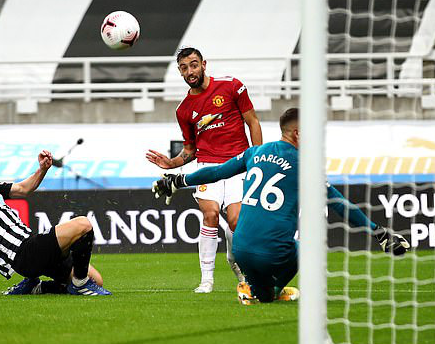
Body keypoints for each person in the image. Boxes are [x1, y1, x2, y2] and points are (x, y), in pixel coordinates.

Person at [152, 108, 410, 304]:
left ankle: (258, 291)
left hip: (241, 251)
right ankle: (269, 289)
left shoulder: (255, 152)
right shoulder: (303, 164)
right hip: (273, 253)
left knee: (264, 298)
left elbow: (217, 172)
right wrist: (378, 231)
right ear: (298, 133)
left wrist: (178, 180)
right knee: (307, 248)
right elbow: (339, 205)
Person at [146, 47, 263, 294]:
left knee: (235, 221)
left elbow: (252, 121)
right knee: (209, 214)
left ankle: (236, 261)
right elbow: (190, 150)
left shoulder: (232, 86)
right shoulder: (184, 110)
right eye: (185, 67)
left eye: (194, 64)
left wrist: (258, 158)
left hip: (238, 164)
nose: (190, 71)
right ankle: (206, 280)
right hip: (207, 167)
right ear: (179, 71)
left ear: (204, 64)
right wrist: (171, 163)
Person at [0, 141, 110, 296]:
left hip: (33, 245)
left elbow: (23, 188)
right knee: (83, 224)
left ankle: (37, 287)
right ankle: (80, 285)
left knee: (96, 280)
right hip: (20, 254)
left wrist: (42, 169)